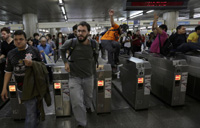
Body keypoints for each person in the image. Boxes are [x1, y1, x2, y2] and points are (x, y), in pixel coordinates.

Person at [1, 30, 51, 128]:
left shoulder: (34, 50)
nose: (18, 41)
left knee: (31, 111)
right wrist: (4, 88)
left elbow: (42, 66)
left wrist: (32, 64)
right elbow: (8, 71)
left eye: (21, 39)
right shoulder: (11, 53)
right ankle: (35, 122)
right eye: (15, 39)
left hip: (33, 86)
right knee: (32, 109)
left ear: (26, 40)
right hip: (20, 87)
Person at [60, 21, 98, 128]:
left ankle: (88, 106)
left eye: (83, 31)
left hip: (89, 76)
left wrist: (93, 71)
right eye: (78, 31)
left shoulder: (94, 44)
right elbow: (61, 50)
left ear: (88, 32)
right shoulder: (71, 42)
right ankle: (82, 122)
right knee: (76, 102)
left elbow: (95, 57)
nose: (80, 33)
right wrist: (65, 62)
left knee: (88, 96)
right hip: (74, 77)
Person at [0, 27, 16, 93]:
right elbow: (3, 53)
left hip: (15, 63)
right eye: (2, 34)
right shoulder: (3, 43)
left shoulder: (15, 42)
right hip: (7, 64)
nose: (2, 35)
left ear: (9, 34)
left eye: (4, 34)